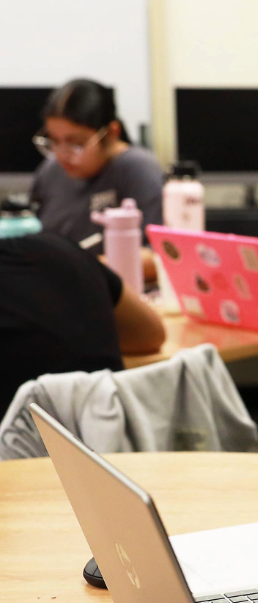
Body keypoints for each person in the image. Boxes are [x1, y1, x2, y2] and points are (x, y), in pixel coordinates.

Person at [0, 230, 166, 415]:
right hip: (110, 431)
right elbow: (148, 336)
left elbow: (149, 335)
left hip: (36, 439)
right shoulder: (58, 250)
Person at [30, 78, 162, 281]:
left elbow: (159, 258)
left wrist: (76, 267)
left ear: (111, 133)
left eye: (77, 143)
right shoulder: (50, 171)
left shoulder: (139, 170)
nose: (62, 154)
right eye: (54, 141)